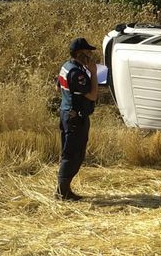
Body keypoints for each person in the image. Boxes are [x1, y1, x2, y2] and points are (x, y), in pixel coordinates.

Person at [55, 37, 99, 201]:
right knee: (73, 154)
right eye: (87, 52)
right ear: (80, 54)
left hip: (67, 113)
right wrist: (93, 73)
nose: (90, 55)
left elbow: (58, 87)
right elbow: (93, 95)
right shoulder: (78, 73)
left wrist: (69, 99)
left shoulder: (66, 67)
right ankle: (62, 191)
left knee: (69, 151)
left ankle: (64, 189)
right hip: (76, 118)